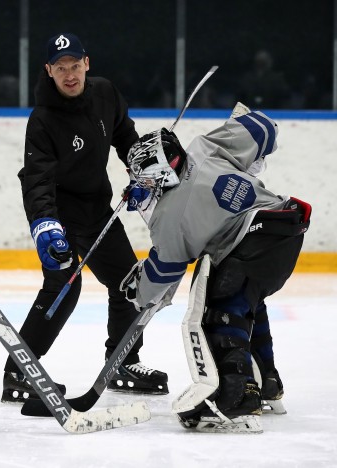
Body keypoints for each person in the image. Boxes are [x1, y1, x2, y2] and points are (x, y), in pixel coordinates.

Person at [120, 103, 311, 433]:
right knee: (245, 306)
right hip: (285, 227)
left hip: (254, 242)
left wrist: (138, 290)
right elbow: (263, 128)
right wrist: (240, 130)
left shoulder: (169, 219)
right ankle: (266, 381)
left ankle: (239, 395)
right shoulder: (204, 147)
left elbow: (164, 271)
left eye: (144, 178)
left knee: (220, 311)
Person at [1, 32, 168, 403]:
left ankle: (122, 360)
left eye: (75, 65)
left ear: (87, 64)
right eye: (60, 68)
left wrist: (143, 170)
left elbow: (126, 138)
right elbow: (37, 179)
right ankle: (19, 373)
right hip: (59, 216)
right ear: (49, 71)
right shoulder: (42, 119)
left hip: (95, 209)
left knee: (130, 283)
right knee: (64, 286)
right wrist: (45, 225)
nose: (69, 74)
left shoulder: (105, 93)